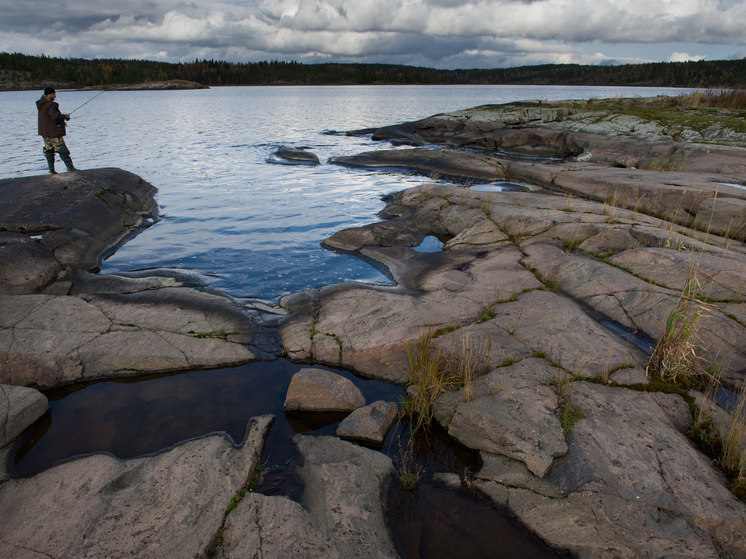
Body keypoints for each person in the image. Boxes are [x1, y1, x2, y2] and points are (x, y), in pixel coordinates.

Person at [37, 87, 77, 174]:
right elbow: (56, 117)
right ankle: (70, 168)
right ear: (49, 94)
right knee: (63, 150)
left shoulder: (41, 105)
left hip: (45, 133)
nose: (55, 96)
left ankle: (51, 170)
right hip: (53, 132)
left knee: (49, 151)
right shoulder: (50, 105)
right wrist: (64, 117)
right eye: (53, 94)